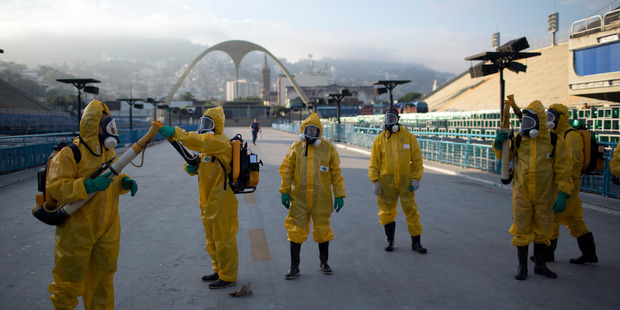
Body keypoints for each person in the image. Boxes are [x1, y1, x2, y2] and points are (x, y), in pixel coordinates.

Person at [46, 100, 139, 309]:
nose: (109, 128)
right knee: (68, 283)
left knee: (103, 281)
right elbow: (56, 186)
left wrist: (123, 182)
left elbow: (111, 180)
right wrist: (88, 185)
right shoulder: (70, 154)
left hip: (107, 229)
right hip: (76, 230)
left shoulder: (109, 153)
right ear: (92, 125)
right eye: (104, 123)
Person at [159, 106, 239, 289]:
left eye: (208, 123)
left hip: (222, 201)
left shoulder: (219, 142)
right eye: (203, 122)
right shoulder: (208, 148)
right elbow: (206, 168)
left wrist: (176, 133)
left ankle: (228, 276)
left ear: (217, 125)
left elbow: (197, 141)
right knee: (211, 240)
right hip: (207, 201)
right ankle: (218, 270)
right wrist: (193, 169)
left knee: (224, 241)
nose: (204, 126)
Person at [493, 100, 573, 281]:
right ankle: (522, 267)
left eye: (530, 123)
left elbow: (563, 168)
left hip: (545, 194)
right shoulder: (521, 139)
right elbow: (507, 156)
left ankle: (540, 265)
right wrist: (498, 145)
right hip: (522, 192)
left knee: (543, 230)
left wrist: (563, 192)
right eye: (524, 122)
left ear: (540, 122)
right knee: (521, 229)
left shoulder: (554, 141)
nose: (526, 127)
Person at [279, 113, 346, 280]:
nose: (311, 134)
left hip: (321, 199)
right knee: (295, 231)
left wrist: (339, 194)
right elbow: (286, 171)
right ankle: (294, 266)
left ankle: (324, 262)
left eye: (315, 131)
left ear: (319, 133)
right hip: (299, 198)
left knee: (323, 230)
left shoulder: (328, 149)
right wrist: (284, 191)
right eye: (308, 130)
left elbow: (336, 174)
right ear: (303, 130)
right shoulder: (296, 148)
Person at [544, 104, 598, 264]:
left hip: (567, 187)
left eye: (552, 117)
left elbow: (573, 164)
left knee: (553, 218)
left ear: (561, 118)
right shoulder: (556, 135)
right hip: (565, 185)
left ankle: (547, 253)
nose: (549, 121)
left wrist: (564, 189)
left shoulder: (571, 136)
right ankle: (590, 254)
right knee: (574, 220)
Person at [369, 108, 426, 254]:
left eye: (392, 119)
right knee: (386, 212)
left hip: (406, 183)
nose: (389, 122)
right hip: (386, 184)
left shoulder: (408, 137)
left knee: (411, 211)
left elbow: (417, 160)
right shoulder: (380, 140)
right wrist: (375, 181)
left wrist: (416, 178)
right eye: (387, 118)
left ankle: (416, 242)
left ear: (397, 120)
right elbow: (374, 163)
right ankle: (390, 240)